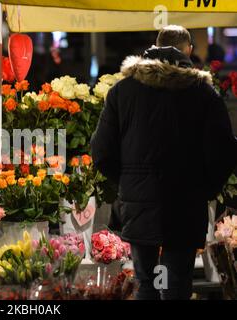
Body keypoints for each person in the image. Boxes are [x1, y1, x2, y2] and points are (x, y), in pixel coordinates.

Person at [91, 25, 237, 300]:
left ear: (153, 47)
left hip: (139, 204)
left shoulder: (123, 92)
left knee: (147, 284)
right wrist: (204, 189)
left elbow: (101, 152)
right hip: (185, 204)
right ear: (189, 51)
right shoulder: (203, 94)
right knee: (178, 284)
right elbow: (225, 152)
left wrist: (128, 184)